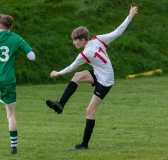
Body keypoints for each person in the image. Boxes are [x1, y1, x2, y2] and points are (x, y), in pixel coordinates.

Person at [46, 6, 138, 150]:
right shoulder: (98, 39)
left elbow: (72, 66)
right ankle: (61, 104)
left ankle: (84, 145)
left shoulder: (85, 53)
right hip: (99, 73)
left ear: (82, 40)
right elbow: (117, 32)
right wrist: (130, 16)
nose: (73, 43)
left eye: (75, 40)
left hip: (105, 81)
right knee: (77, 76)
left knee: (90, 111)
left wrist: (58, 73)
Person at [0, 14, 36, 154]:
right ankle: (13, 147)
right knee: (10, 115)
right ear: (11, 26)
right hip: (8, 80)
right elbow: (32, 57)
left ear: (0, 26)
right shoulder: (16, 38)